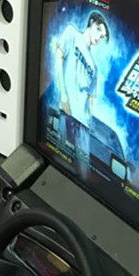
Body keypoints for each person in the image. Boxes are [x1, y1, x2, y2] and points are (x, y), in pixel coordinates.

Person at [53, 11, 110, 172]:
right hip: (67, 112)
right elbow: (58, 60)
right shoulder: (72, 33)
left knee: (82, 171)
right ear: (91, 23)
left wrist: (90, 121)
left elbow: (91, 97)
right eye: (98, 30)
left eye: (102, 36)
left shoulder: (94, 67)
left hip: (84, 124)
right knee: (60, 162)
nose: (99, 37)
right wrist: (63, 95)